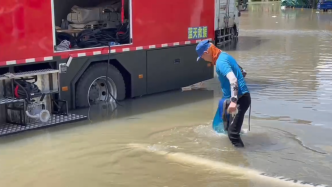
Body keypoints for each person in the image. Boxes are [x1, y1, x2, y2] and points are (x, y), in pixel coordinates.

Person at [196, 39, 251, 148]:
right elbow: (243, 71)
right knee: (224, 127)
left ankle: (242, 159)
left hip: (240, 99)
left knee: (233, 134)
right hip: (235, 97)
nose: (203, 59)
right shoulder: (224, 55)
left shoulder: (220, 63)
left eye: (202, 57)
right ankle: (229, 154)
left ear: (207, 53)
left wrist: (234, 102)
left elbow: (233, 80)